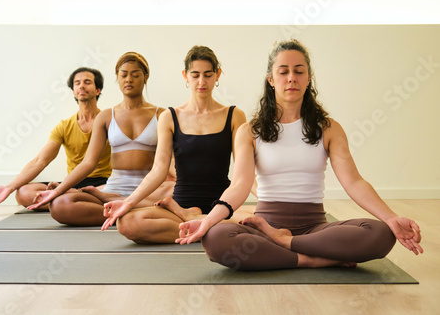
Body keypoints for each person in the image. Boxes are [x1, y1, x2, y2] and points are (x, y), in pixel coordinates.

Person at [176, 39, 423, 270]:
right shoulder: (249, 131)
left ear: (309, 78)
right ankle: (312, 259)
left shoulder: (329, 128)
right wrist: (208, 222)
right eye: (283, 72)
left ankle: (286, 245)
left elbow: (354, 182)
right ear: (271, 79)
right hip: (265, 226)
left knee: (380, 233)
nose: (291, 78)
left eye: (299, 71)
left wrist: (391, 218)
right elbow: (240, 185)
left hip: (315, 227)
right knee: (216, 239)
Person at [101, 45, 253, 244]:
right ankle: (206, 227)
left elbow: (246, 171)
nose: (201, 81)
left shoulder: (234, 115)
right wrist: (128, 202)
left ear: (218, 75)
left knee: (265, 219)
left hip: (222, 205)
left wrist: (272, 199)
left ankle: (196, 222)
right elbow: (158, 169)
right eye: (195, 74)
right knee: (127, 222)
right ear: (185, 76)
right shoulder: (169, 117)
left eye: (208, 75)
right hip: (183, 201)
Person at [28, 52, 175, 226]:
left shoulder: (162, 114)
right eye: (124, 75)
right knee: (60, 205)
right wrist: (59, 190)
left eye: (135, 75)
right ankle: (126, 208)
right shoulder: (106, 117)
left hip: (150, 190)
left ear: (145, 77)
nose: (129, 79)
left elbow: (170, 163)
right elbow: (88, 162)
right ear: (117, 78)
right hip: (114, 188)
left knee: (176, 190)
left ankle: (120, 206)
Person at [0, 67, 112, 211]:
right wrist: (9, 187)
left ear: (97, 90)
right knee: (23, 193)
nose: (81, 85)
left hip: (104, 184)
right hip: (72, 183)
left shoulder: (109, 121)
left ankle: (71, 197)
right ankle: (74, 196)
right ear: (74, 91)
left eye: (87, 82)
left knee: (111, 190)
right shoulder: (64, 126)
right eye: (77, 83)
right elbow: (40, 160)